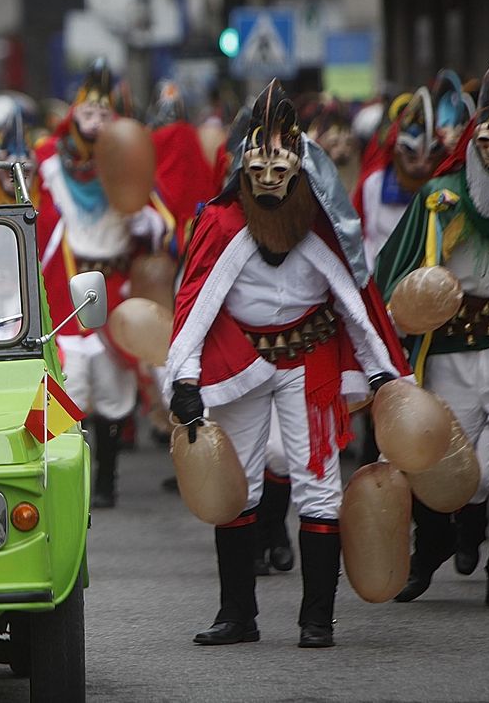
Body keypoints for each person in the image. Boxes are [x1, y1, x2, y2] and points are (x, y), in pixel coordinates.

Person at [166, 80, 408, 650]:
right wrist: (184, 378)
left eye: (281, 169)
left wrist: (380, 370)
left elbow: (356, 300)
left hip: (312, 364)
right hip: (243, 362)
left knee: (319, 486)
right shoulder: (221, 223)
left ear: (299, 166)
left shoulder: (323, 224)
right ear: (243, 167)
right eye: (258, 170)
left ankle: (317, 619)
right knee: (238, 487)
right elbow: (194, 303)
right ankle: (237, 614)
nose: (270, 181)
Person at [374, 59, 489, 610]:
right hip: (451, 347)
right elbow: (393, 270)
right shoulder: (441, 197)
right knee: (440, 456)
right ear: (472, 134)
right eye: (488, 131)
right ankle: (427, 552)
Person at [33, 61, 172, 509]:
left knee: (114, 388)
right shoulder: (49, 164)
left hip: (113, 286)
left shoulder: (128, 163)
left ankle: (107, 481)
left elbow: (162, 222)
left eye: (104, 114)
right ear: (74, 116)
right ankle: (52, 475)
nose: (95, 122)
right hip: (65, 285)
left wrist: (147, 222)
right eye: (88, 113)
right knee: (63, 381)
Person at [354, 72, 470, 264]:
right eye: (411, 154)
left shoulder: (451, 186)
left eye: (430, 155)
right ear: (397, 149)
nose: (421, 165)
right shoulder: (374, 185)